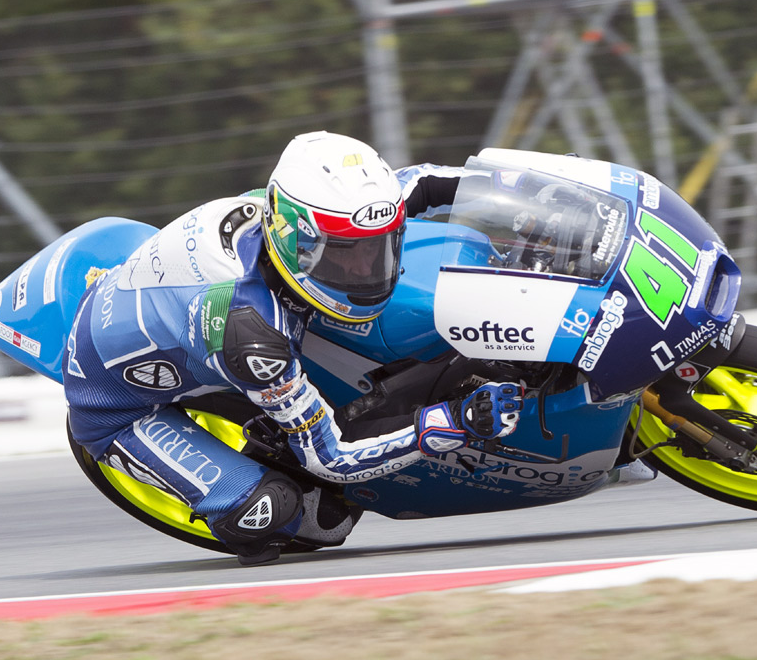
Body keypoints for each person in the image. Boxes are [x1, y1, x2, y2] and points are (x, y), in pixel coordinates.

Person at [63, 131, 523, 565]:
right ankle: (240, 497)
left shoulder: (316, 214)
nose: (366, 269)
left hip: (175, 312)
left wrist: (518, 191)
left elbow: (421, 182)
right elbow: (332, 459)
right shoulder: (251, 331)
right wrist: (455, 422)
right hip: (116, 408)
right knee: (291, 514)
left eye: (379, 248)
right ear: (296, 241)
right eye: (345, 254)